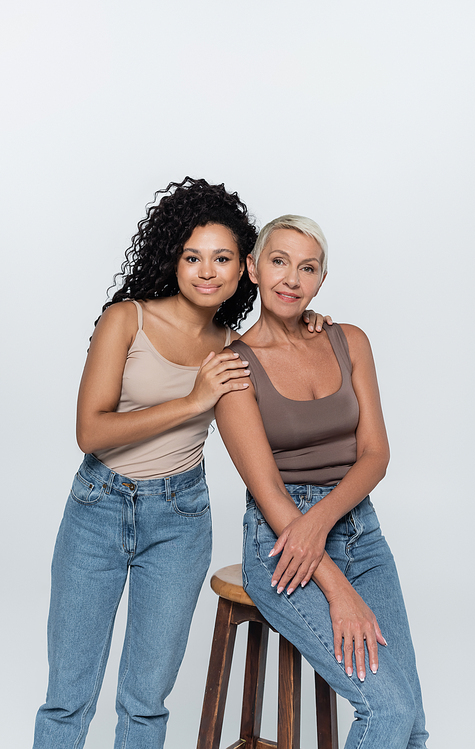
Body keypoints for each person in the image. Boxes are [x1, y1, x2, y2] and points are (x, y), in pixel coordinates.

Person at [32, 180, 330, 749]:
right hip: (97, 510)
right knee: (67, 699)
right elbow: (89, 432)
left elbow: (286, 359)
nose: (206, 271)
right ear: (175, 258)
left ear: (244, 268)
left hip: (179, 520)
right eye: (193, 257)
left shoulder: (234, 351)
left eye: (222, 258)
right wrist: (193, 402)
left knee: (145, 704)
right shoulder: (127, 320)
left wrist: (307, 323)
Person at [215, 215, 429, 749]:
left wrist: (323, 522)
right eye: (279, 261)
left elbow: (375, 455)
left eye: (307, 268)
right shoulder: (232, 367)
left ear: (320, 280)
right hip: (282, 546)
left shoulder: (348, 340)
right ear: (253, 268)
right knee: (387, 708)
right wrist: (340, 592)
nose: (292, 278)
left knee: (411, 724)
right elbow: (268, 493)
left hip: (359, 531)